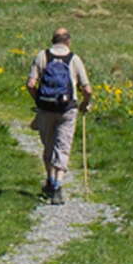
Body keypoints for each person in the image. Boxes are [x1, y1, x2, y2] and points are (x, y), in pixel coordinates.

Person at [25, 26, 91, 204]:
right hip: (67, 109)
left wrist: (38, 100)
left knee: (48, 145)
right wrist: (85, 103)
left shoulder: (42, 56)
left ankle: (49, 180)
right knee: (62, 146)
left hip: (45, 109)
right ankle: (58, 185)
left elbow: (31, 84)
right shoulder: (74, 59)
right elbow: (87, 89)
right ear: (68, 41)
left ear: (52, 40)